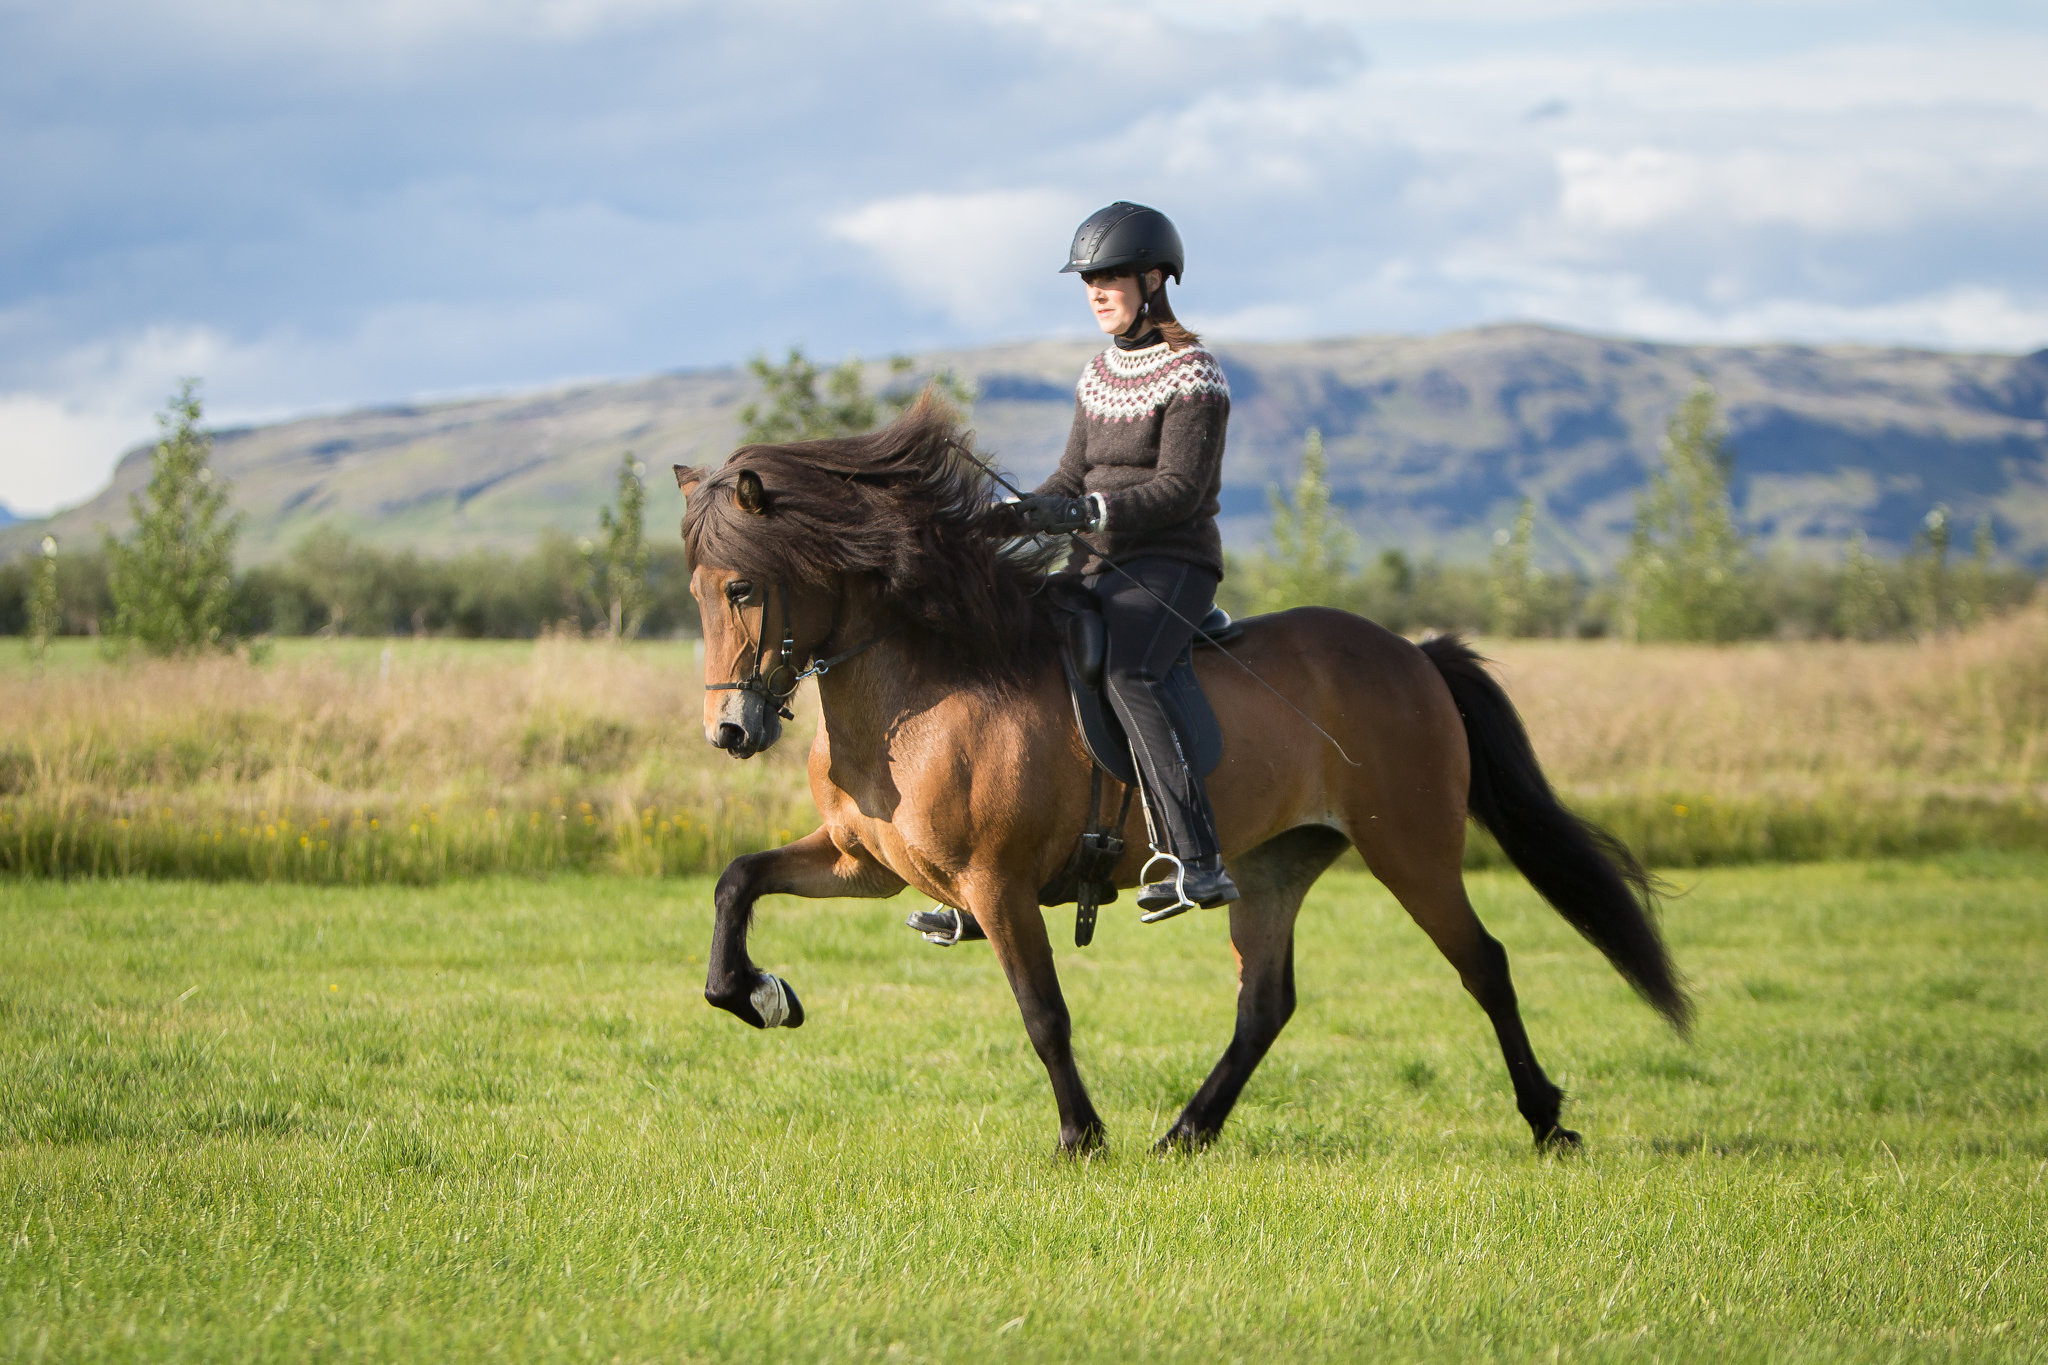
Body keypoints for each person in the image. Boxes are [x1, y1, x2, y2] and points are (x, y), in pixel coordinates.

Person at [999, 201, 1238, 919]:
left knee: (1131, 670)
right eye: (1088, 280)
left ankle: (1196, 856)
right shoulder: (1098, 373)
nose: (1095, 291)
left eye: (1109, 277)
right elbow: (1070, 479)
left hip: (1173, 564)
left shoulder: (1195, 374)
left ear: (1156, 278)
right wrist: (1005, 516)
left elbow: (1179, 488)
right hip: (1094, 566)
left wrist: (1090, 512)